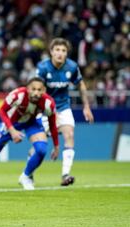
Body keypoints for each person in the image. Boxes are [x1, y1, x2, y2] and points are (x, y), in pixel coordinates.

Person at [35, 38, 94, 186]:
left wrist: (86, 107)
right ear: (51, 52)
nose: (60, 54)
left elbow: (81, 85)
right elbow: (35, 90)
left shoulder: (72, 67)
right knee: (39, 145)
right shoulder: (43, 68)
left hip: (63, 107)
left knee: (69, 134)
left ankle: (65, 175)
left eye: (63, 51)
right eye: (57, 50)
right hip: (44, 109)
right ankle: (28, 174)